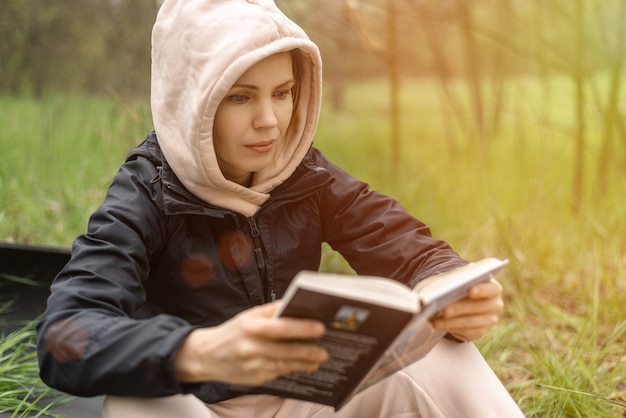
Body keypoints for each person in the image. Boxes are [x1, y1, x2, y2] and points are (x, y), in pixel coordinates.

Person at [37, 0, 525, 417]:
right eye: (240, 97)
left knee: (446, 352)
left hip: (305, 398)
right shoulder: (146, 189)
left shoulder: (304, 172)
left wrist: (449, 285)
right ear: (191, 102)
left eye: (283, 93)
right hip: (195, 401)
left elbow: (406, 247)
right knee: (137, 401)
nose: (269, 121)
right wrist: (200, 352)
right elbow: (64, 336)